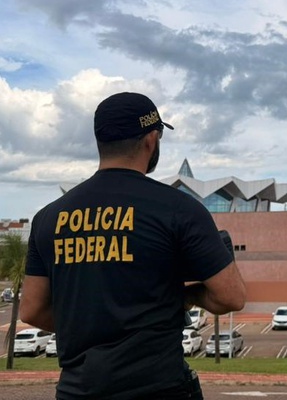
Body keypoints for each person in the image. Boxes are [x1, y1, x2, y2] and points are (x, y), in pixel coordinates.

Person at [20, 92, 247, 400]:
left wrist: (93, 323)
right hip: (158, 388)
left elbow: (32, 310)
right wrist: (185, 296)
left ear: (101, 142)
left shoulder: (48, 218)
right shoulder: (179, 209)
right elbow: (231, 296)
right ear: (151, 140)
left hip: (77, 390)